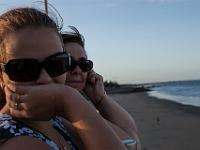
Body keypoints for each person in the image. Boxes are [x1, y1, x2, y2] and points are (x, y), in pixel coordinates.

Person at [0, 7, 127, 150]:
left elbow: (130, 140)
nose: (45, 79)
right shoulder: (16, 142)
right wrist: (69, 98)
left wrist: (98, 100)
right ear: (1, 77)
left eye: (56, 64)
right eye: (24, 68)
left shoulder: (54, 120)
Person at [62, 26, 141, 150]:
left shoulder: (73, 113)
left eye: (83, 64)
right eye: (68, 63)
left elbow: (131, 136)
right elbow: (130, 144)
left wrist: (100, 98)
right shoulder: (59, 117)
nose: (77, 70)